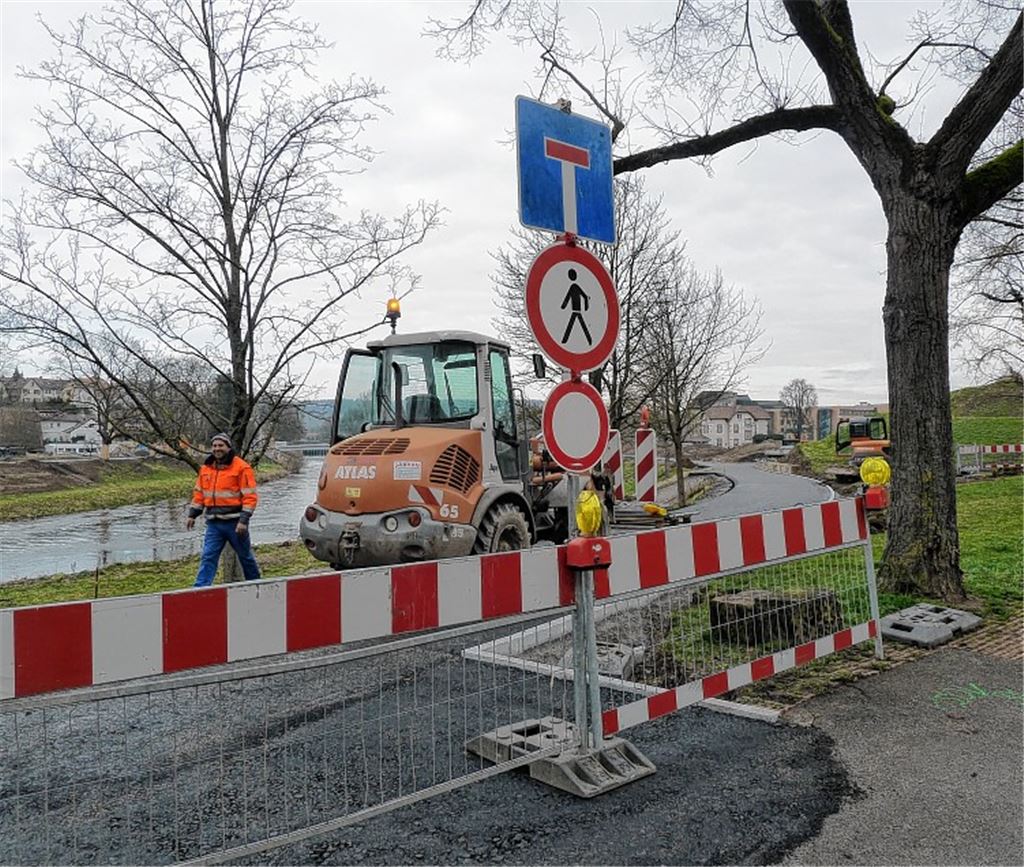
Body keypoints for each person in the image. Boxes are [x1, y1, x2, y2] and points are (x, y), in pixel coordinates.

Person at [186, 433, 262, 587]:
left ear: (228, 447)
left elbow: (250, 497)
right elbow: (199, 494)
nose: (217, 449)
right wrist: (193, 514)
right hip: (214, 523)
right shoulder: (206, 469)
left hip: (235, 523)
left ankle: (257, 585)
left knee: (245, 557)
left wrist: (243, 520)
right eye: (214, 446)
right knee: (208, 556)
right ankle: (200, 589)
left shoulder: (242, 467)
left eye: (220, 445)